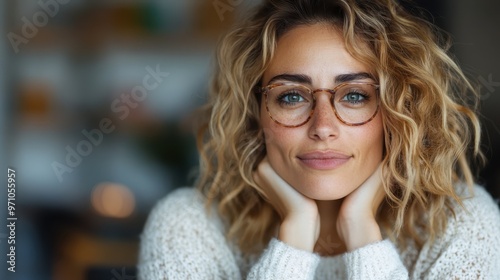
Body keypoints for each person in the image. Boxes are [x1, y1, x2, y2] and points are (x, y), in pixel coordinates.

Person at [138, 0, 500, 279]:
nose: (323, 126)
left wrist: (362, 232)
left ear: (397, 110)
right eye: (292, 96)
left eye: (355, 95)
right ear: (255, 114)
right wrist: (293, 237)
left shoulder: (461, 222)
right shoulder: (190, 225)